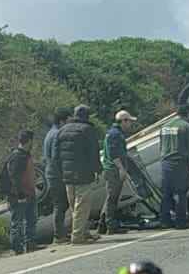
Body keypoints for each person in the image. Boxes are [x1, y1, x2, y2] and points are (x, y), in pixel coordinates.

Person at [57, 104, 104, 246]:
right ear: (87, 116)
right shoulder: (87, 130)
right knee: (82, 205)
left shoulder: (62, 130)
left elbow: (56, 155)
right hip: (83, 174)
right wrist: (98, 170)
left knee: (74, 207)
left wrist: (61, 172)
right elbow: (93, 152)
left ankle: (83, 231)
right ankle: (77, 236)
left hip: (67, 175)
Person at [158, 103, 189, 230]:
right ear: (188, 113)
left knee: (166, 193)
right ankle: (181, 222)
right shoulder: (187, 127)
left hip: (165, 163)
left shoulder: (164, 127)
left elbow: (161, 146)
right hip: (179, 163)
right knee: (180, 192)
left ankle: (165, 221)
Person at [97, 109, 138, 235]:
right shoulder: (115, 134)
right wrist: (121, 168)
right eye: (129, 121)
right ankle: (110, 225)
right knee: (112, 198)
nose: (130, 124)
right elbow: (114, 154)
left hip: (112, 168)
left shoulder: (113, 133)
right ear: (123, 121)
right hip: (113, 169)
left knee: (111, 198)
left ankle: (103, 224)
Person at [1, 129, 38, 255]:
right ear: (29, 141)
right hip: (19, 196)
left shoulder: (25, 155)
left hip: (29, 193)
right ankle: (17, 248)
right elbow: (14, 177)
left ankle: (30, 245)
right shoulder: (18, 156)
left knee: (31, 220)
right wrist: (20, 194)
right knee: (17, 222)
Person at [41, 107, 70, 227]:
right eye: (68, 121)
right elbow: (55, 157)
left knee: (62, 204)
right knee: (60, 205)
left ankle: (61, 232)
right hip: (56, 174)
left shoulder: (51, 132)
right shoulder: (57, 134)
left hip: (51, 173)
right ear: (62, 121)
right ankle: (59, 235)